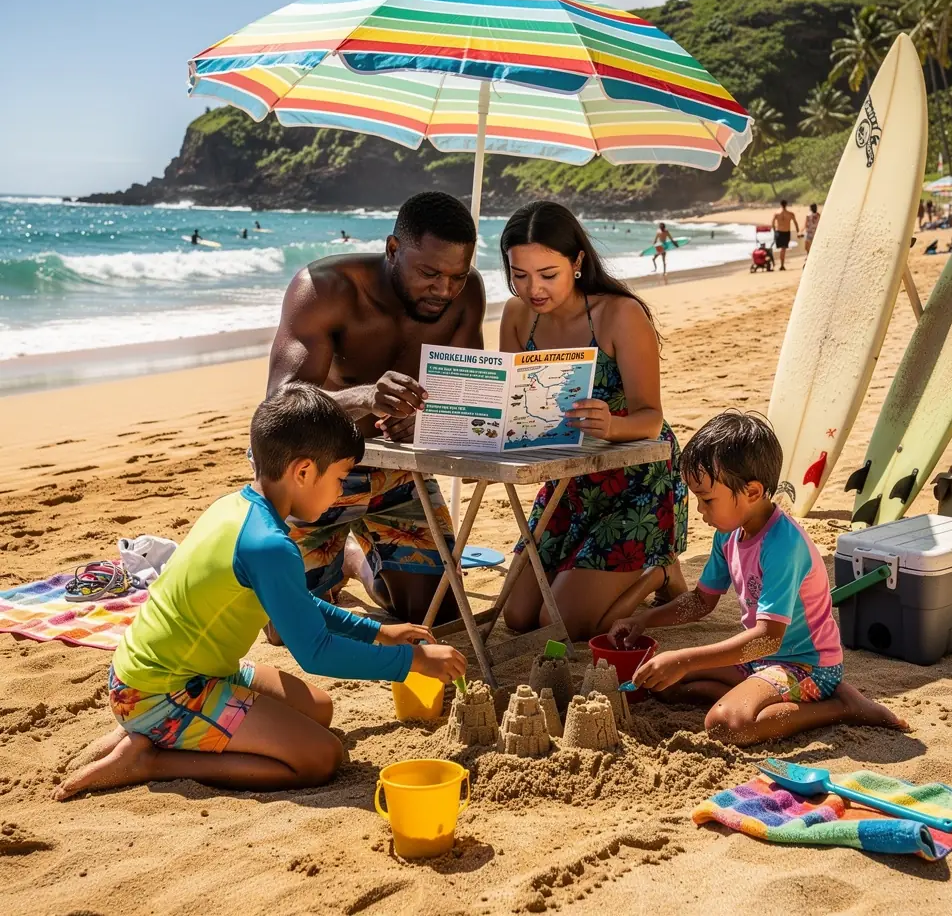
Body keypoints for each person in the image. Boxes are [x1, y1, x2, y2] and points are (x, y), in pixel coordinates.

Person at [53, 385, 466, 801]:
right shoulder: (269, 545)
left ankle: (152, 728)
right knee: (320, 758)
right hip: (166, 687)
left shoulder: (236, 506)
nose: (342, 493)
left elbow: (299, 606)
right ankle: (151, 759)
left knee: (319, 710)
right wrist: (411, 660)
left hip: (171, 670)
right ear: (304, 472)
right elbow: (316, 652)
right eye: (340, 478)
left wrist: (379, 633)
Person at [609, 411, 908, 745]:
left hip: (806, 667)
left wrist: (684, 658)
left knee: (727, 724)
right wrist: (644, 620)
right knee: (666, 685)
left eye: (707, 499)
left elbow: (768, 638)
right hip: (759, 661)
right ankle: (756, 693)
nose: (700, 510)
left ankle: (842, 705)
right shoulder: (729, 532)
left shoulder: (782, 545)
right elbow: (700, 601)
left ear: (751, 491)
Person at [267, 191, 485, 625]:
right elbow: (277, 409)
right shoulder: (324, 289)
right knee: (287, 627)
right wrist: (364, 397)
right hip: (313, 469)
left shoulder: (466, 294)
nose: (444, 290)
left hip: (396, 472)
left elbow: (466, 392)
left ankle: (353, 559)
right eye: (429, 273)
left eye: (456, 276)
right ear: (392, 249)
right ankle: (335, 554)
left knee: (437, 614)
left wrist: (427, 419)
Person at [499, 201, 688, 641]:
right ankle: (624, 571)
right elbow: (513, 405)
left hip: (636, 480)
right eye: (519, 275)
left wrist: (612, 425)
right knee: (517, 616)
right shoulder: (516, 316)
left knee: (557, 626)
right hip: (567, 480)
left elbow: (651, 418)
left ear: (578, 262)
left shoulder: (619, 314)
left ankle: (659, 571)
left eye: (548, 274)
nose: (533, 290)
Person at [770, 201, 798, 271]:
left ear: (780, 204)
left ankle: (781, 264)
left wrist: (774, 231)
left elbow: (772, 223)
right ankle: (782, 265)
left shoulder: (776, 213)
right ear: (786, 204)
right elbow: (795, 222)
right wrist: (797, 231)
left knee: (782, 249)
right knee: (783, 249)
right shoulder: (790, 214)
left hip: (779, 232)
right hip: (786, 232)